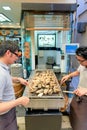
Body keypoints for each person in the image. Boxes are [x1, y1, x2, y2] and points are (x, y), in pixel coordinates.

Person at [0, 41, 29, 130]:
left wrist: (17, 79)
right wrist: (18, 101)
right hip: (4, 116)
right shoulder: (1, 74)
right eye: (16, 55)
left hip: (9, 110)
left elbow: (6, 78)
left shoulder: (3, 68)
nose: (17, 58)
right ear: (8, 53)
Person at [61, 46, 87, 130]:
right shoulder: (83, 65)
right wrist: (69, 75)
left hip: (85, 97)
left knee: (81, 121)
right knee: (72, 110)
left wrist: (86, 90)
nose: (79, 62)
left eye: (81, 60)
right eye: (77, 59)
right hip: (78, 94)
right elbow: (78, 72)